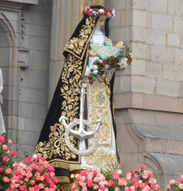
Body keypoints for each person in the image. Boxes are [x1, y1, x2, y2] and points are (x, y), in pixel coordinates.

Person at [35, 5, 124, 172]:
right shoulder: (79, 42)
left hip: (100, 89)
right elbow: (73, 67)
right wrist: (88, 69)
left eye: (104, 21)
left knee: (103, 123)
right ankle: (83, 157)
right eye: (99, 20)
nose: (101, 24)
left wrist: (110, 67)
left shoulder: (106, 41)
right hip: (84, 89)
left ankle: (105, 159)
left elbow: (109, 71)